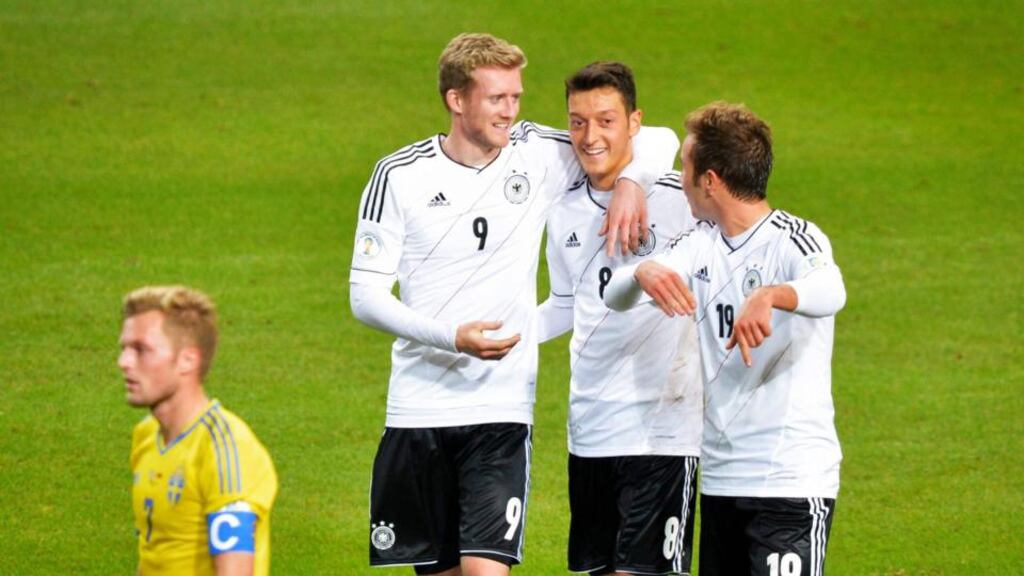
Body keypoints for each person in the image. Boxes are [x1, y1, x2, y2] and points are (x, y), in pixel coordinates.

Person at [349, 33, 678, 576]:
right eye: (497, 98)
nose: (511, 112)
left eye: (516, 98)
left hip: (500, 410)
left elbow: (657, 136)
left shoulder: (538, 153)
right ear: (457, 100)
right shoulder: (399, 175)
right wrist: (452, 338)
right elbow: (365, 296)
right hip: (417, 407)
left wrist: (632, 186)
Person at [604, 102, 846, 576]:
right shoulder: (701, 244)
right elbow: (616, 296)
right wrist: (644, 271)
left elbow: (831, 289)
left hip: (790, 481)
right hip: (722, 481)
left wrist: (774, 295)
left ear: (710, 180)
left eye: (686, 167)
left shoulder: (795, 239)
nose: (680, 176)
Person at [536, 62, 701, 576]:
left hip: (664, 426)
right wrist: (494, 334)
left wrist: (633, 180)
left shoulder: (681, 198)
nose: (590, 137)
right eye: (578, 122)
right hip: (590, 426)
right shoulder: (561, 211)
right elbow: (566, 303)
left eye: (606, 120)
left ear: (634, 123)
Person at [120, 285, 278, 576]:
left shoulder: (225, 449)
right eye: (124, 348)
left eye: (141, 350)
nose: (124, 362)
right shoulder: (146, 436)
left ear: (187, 360)